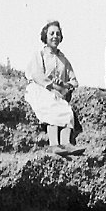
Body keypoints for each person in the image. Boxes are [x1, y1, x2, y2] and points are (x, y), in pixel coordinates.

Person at [25, 20, 81, 155]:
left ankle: (66, 143)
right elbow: (36, 75)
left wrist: (63, 85)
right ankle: (54, 144)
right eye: (52, 34)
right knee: (51, 108)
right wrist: (51, 86)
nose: (55, 36)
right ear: (45, 36)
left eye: (58, 34)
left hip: (58, 93)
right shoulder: (39, 54)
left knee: (67, 111)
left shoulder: (63, 60)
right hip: (40, 89)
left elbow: (74, 81)